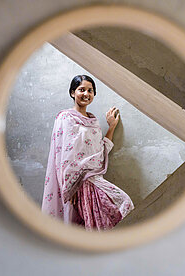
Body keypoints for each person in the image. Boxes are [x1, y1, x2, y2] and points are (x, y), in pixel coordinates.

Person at [41, 75, 134, 230]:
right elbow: (64, 155)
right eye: (81, 90)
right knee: (113, 211)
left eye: (90, 90)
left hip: (95, 178)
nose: (86, 94)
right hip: (79, 182)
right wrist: (70, 188)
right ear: (72, 93)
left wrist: (111, 127)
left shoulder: (93, 121)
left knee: (119, 210)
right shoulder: (66, 118)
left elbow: (100, 150)